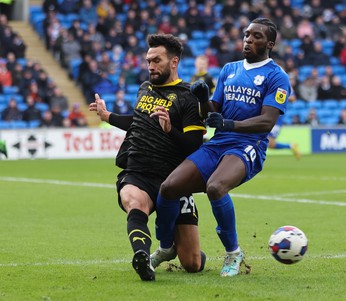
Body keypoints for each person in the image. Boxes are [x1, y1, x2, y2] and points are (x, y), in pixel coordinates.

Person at [153, 18, 291, 277]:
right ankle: (166, 247)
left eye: (256, 36)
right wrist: (204, 98)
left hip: (249, 145)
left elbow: (266, 121)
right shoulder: (229, 69)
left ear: (270, 43)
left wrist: (229, 123)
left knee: (215, 187)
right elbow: (212, 114)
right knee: (169, 188)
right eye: (246, 34)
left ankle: (233, 253)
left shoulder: (277, 76)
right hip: (219, 143)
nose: (248, 39)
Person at [88, 34, 206, 281]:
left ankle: (180, 246)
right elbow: (138, 122)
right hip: (139, 171)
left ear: (174, 62)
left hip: (174, 181)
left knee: (193, 264)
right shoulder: (144, 88)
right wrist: (107, 116)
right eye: (148, 60)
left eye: (156, 60)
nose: (150, 66)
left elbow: (194, 145)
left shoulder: (187, 96)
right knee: (133, 201)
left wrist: (169, 130)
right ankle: (142, 258)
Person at [267, 92, 301, 159]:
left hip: (276, 119)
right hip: (266, 116)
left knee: (270, 144)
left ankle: (290, 146)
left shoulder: (283, 84)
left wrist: (275, 97)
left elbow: (293, 98)